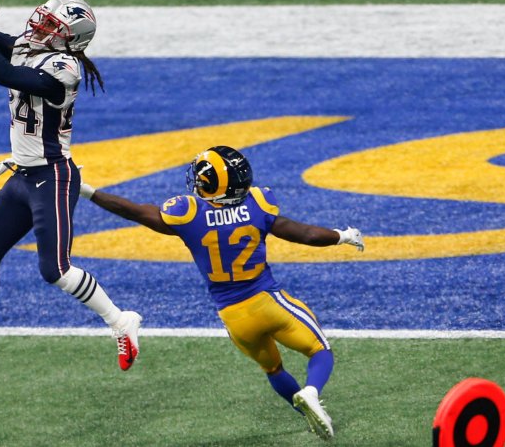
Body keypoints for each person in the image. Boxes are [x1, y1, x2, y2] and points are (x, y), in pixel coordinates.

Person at [80, 146, 365, 440]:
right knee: (320, 350)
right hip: (268, 301)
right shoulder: (258, 202)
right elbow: (303, 234)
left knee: (274, 369)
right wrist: (341, 236)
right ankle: (311, 392)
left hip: (234, 318)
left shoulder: (188, 214)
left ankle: (308, 409)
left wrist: (88, 191)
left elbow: (132, 211)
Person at [0, 0, 141, 377]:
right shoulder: (33, 49)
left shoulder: (65, 69)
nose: (38, 26)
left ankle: (121, 321)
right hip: (24, 174)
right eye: (43, 19)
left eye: (50, 25)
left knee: (56, 269)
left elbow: (4, 74)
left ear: (69, 38)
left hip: (53, 176)